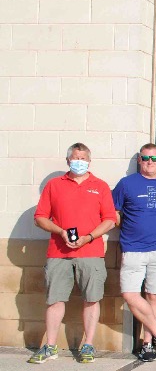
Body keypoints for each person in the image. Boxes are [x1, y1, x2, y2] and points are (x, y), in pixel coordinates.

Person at [30, 143, 117, 364]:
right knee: (55, 300)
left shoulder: (100, 186)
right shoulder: (54, 185)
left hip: (91, 252)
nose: (80, 162)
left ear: (89, 161)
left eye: (83, 158)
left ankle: (88, 345)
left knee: (91, 299)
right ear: (68, 160)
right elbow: (40, 217)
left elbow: (110, 220)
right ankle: (50, 346)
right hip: (58, 253)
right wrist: (60, 231)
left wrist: (89, 237)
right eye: (76, 158)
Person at [111, 144, 156, 362]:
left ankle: (148, 343)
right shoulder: (126, 184)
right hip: (132, 249)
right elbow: (114, 212)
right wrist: (128, 229)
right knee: (129, 294)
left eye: (154, 158)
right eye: (145, 158)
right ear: (139, 160)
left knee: (153, 296)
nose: (150, 162)